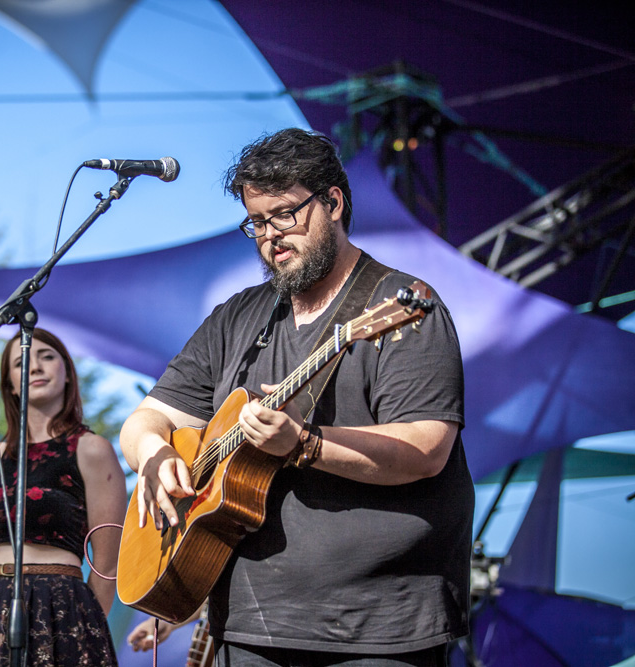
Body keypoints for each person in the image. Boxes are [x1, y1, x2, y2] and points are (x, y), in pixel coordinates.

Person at [120, 128, 475, 667]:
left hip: (377, 626)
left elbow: (426, 448)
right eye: (257, 223)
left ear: (333, 202)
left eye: (284, 215)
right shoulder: (237, 316)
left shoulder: (399, 306)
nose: (270, 236)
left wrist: (304, 444)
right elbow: (147, 417)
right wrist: (154, 453)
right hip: (248, 622)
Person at [0, 328, 127, 667]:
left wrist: (85, 631)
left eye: (46, 356)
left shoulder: (92, 449)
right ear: (9, 385)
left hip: (60, 603)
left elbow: (107, 564)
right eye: (20, 362)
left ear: (68, 372)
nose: (34, 367)